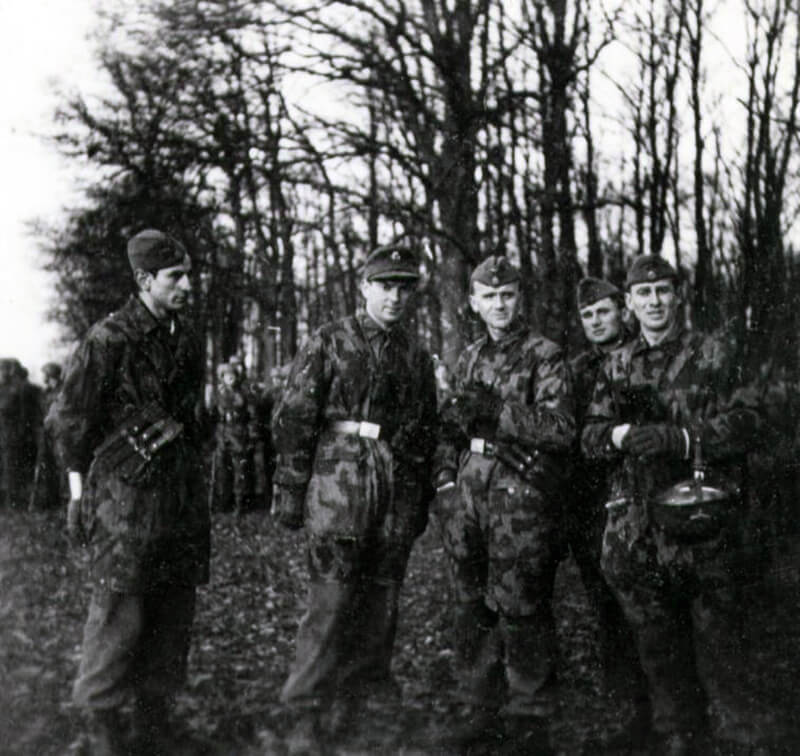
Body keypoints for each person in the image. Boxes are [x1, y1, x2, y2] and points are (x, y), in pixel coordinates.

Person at [582, 255, 766, 754]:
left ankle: (734, 736)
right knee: (658, 646)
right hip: (639, 527)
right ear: (629, 303)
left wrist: (683, 439)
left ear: (678, 295)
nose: (654, 302)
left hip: (704, 521)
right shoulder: (617, 364)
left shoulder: (715, 352)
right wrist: (621, 435)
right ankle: (677, 736)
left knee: (719, 644)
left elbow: (751, 420)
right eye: (643, 294)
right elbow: (590, 436)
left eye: (662, 290)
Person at [47, 229, 210, 756]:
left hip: (178, 496)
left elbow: (191, 418)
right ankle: (103, 724)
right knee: (120, 610)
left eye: (188, 275)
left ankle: (154, 722)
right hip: (125, 500)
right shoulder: (109, 339)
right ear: (144, 279)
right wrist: (77, 494)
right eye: (175, 277)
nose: (187, 285)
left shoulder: (187, 337)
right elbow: (69, 422)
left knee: (173, 609)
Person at [271, 244, 438, 752]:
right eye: (385, 286)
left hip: (393, 486)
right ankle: (306, 710)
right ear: (364, 287)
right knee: (331, 603)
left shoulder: (414, 355)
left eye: (404, 288)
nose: (395, 297)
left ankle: (363, 705)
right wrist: (291, 487)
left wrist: (415, 500)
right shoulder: (329, 340)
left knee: (381, 604)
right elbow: (295, 415)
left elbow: (424, 430)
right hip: (337, 482)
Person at [433, 256, 575, 754]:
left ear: (519, 299)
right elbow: (449, 428)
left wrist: (500, 412)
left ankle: (530, 717)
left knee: (522, 604)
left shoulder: (545, 355)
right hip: (469, 491)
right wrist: (444, 482)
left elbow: (561, 429)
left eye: (507, 295)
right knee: (470, 603)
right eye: (489, 296)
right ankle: (479, 708)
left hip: (520, 494)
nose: (499, 304)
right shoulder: (468, 358)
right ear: (473, 303)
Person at [568, 278, 649, 742]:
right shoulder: (576, 370)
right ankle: (629, 715)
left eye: (603, 311)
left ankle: (667, 715)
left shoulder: (645, 355)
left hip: (641, 496)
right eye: (587, 315)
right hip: (591, 503)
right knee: (607, 610)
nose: (596, 321)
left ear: (623, 310)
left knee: (650, 608)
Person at [210, 360, 257, 514]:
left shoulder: (243, 393)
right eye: (226, 375)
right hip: (222, 435)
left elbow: (252, 416)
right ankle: (223, 502)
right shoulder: (218, 395)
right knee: (222, 470)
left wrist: (252, 434)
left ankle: (239, 503)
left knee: (239, 470)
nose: (230, 377)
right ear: (222, 377)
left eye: (233, 375)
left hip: (239, 434)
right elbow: (212, 415)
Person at [30, 361, 65, 510]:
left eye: (45, 374)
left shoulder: (63, 391)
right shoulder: (45, 393)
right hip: (46, 433)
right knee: (46, 465)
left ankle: (63, 500)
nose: (43, 377)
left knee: (61, 466)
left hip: (59, 434)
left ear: (51, 375)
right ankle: (49, 500)